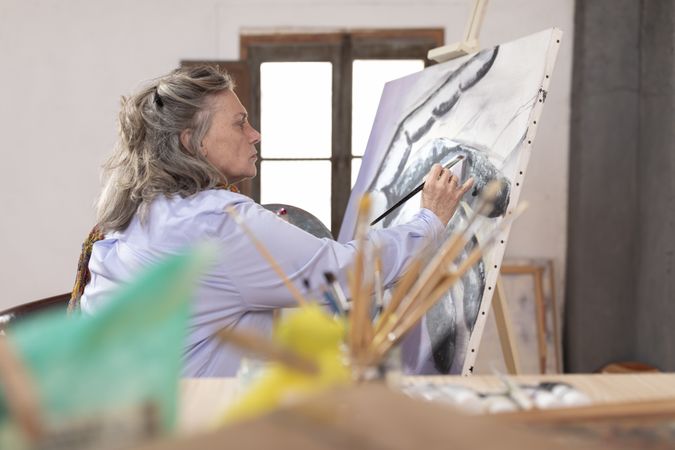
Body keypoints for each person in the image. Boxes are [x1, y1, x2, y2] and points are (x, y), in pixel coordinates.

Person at [71, 65, 473, 377]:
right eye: (238, 122)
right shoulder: (217, 221)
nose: (255, 133)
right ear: (191, 141)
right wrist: (430, 222)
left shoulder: (139, 212)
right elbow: (343, 275)